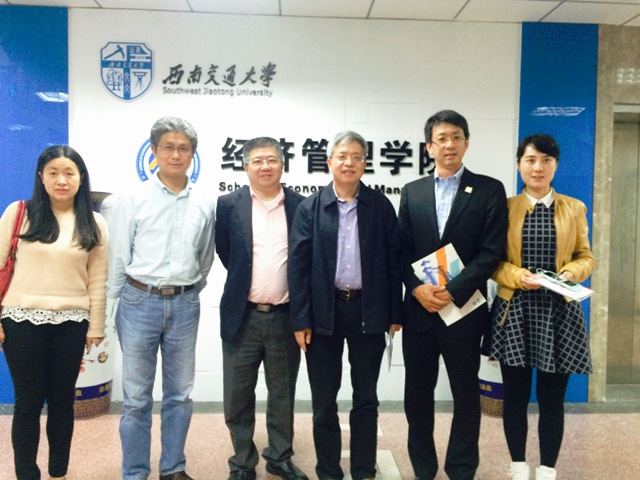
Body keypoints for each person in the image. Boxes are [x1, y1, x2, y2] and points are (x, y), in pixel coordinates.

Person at [399, 110, 508, 480]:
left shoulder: (489, 189)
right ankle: (423, 467)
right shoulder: (412, 191)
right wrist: (417, 289)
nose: (450, 144)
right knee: (417, 395)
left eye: (456, 137)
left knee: (465, 394)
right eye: (441, 138)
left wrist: (453, 290)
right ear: (429, 147)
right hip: (420, 312)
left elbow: (492, 252)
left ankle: (461, 467)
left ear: (467, 142)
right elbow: (401, 251)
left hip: (464, 311)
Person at [288, 130, 403, 480]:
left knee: (366, 398)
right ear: (329, 162)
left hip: (369, 312)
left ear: (365, 164)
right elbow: (298, 267)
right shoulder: (311, 207)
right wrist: (300, 319)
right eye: (342, 156)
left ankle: (364, 470)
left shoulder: (380, 206)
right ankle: (328, 471)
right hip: (324, 313)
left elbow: (394, 261)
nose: (349, 163)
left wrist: (395, 313)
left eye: (356, 157)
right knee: (324, 401)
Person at [107, 117, 215, 480]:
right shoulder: (132, 198)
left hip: (185, 304)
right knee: (137, 398)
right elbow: (119, 257)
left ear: (193, 154)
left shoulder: (204, 202)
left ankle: (173, 468)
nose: (176, 155)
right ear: (154, 151)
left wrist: (187, 289)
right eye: (168, 147)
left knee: (180, 394)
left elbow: (205, 257)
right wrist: (110, 308)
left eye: (183, 148)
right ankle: (135, 472)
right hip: (139, 302)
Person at [488, 134, 594, 480]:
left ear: (555, 166)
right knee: (515, 397)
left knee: (552, 400)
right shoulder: (504, 208)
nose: (538, 167)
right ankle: (518, 465)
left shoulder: (574, 208)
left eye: (546, 160)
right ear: (519, 164)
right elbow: (492, 262)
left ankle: (548, 468)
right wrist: (518, 276)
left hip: (559, 313)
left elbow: (586, 256)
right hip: (515, 312)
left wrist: (570, 273)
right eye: (530, 160)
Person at [0, 145, 108, 480]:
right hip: (20, 321)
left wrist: (96, 327)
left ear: (81, 178)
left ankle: (58, 471)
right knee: (28, 402)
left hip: (72, 323)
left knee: (62, 402)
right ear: (41, 177)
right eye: (53, 173)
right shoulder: (19, 212)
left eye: (69, 173)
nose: (62, 180)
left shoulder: (95, 223)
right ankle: (26, 473)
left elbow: (98, 279)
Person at [215, 137, 308, 480]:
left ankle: (279, 457)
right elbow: (226, 252)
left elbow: (305, 260)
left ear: (282, 165)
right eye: (257, 160)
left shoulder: (301, 205)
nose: (265, 166)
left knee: (282, 393)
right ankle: (242, 461)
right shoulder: (228, 204)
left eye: (271, 160)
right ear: (245, 166)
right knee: (237, 395)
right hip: (243, 315)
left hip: (285, 316)